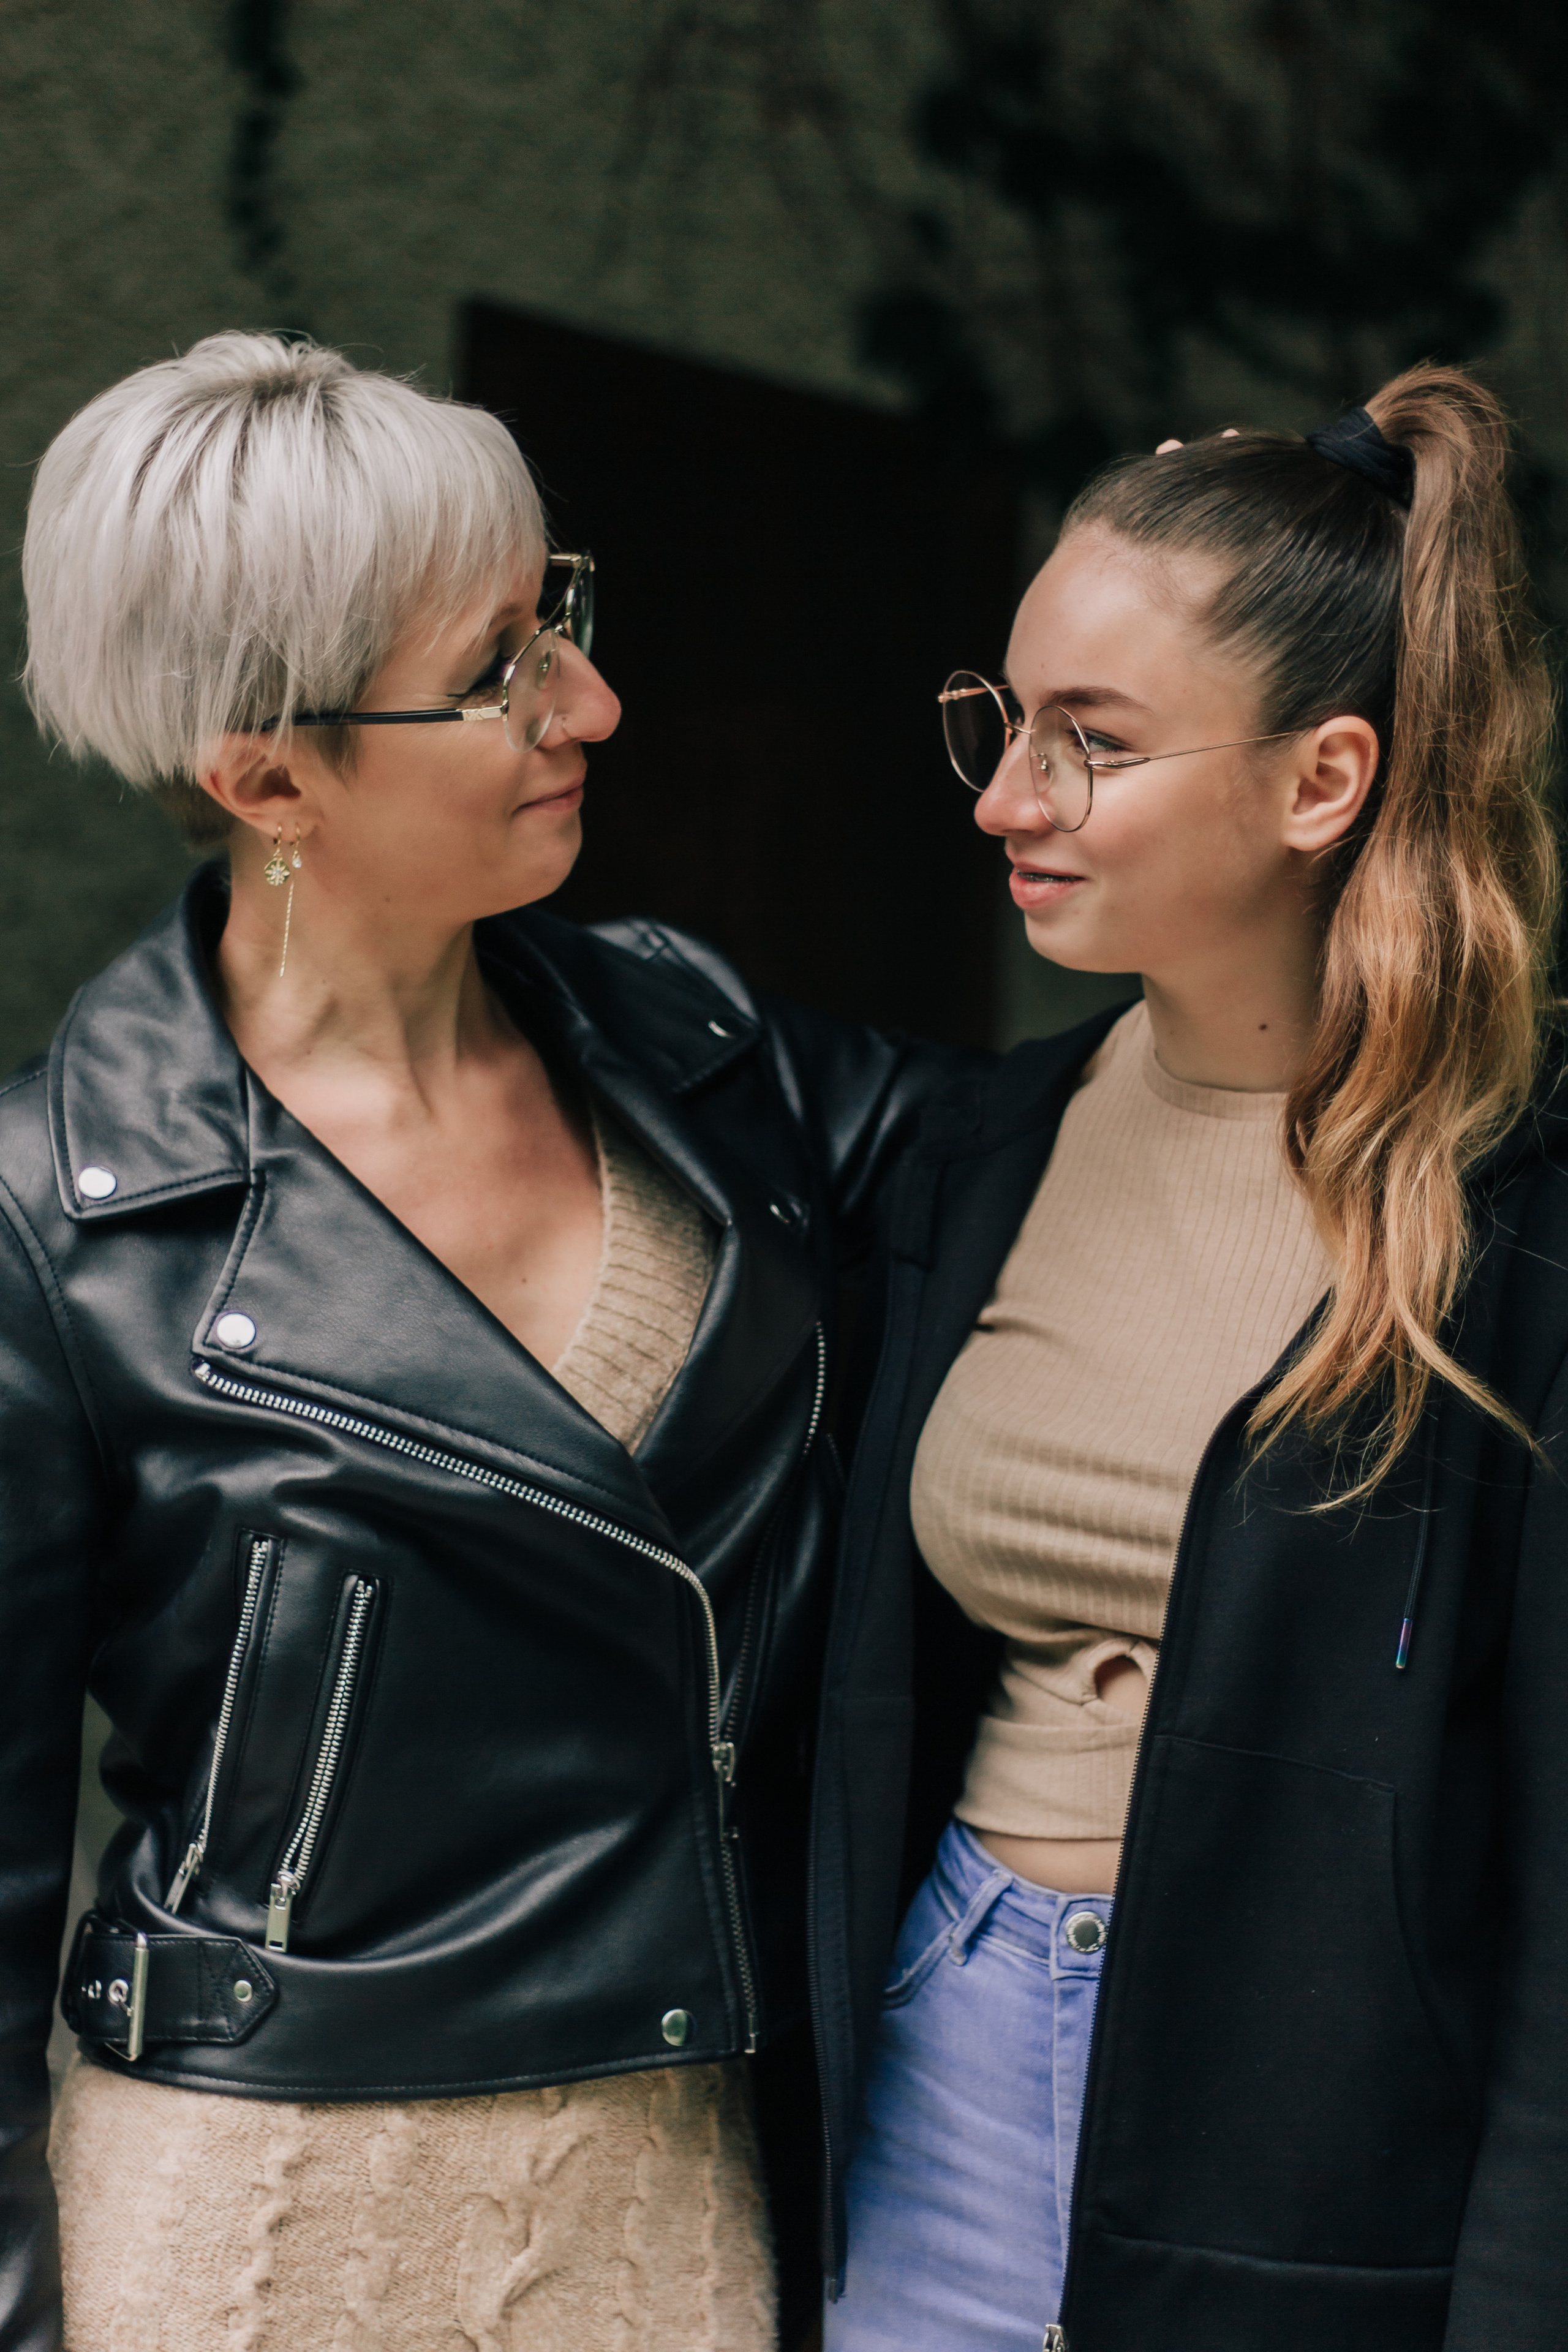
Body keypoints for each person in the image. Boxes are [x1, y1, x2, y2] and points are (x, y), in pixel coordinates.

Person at [0, 333, 969, 2352]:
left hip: (683, 2203)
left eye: (565, 617)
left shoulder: (700, 1048)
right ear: (266, 773)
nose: (591, 702)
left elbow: (1076, 1149)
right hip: (259, 2235)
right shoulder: (51, 1221)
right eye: (500, 666)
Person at [809, 366, 1568, 2350]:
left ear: (1323, 783)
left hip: (1324, 2156)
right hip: (946, 2059)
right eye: (1003, 721)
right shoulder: (967, 1160)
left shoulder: (1523, 1235)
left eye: (1091, 741)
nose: (1002, 799)